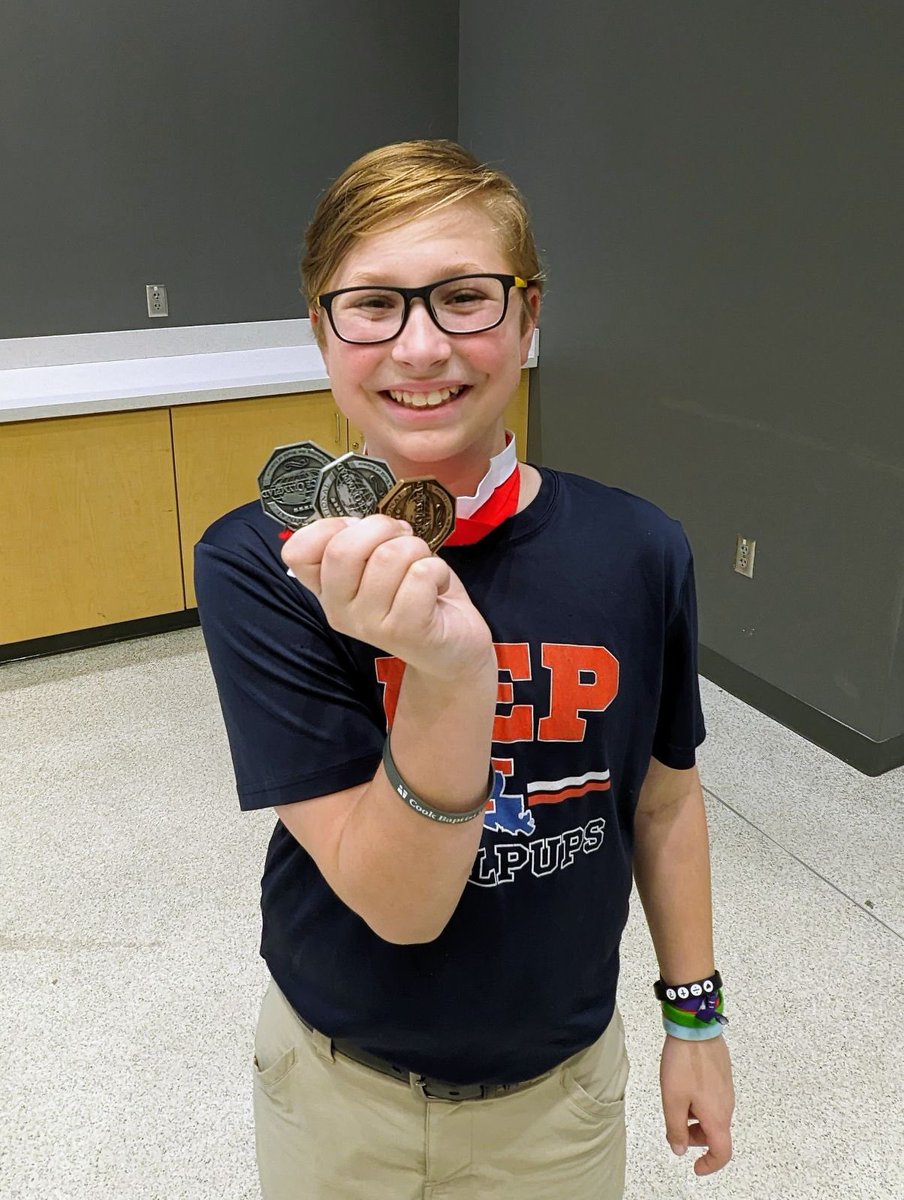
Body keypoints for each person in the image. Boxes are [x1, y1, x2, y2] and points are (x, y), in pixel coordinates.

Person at [194, 139, 735, 1200]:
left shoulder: (638, 550)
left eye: (464, 298)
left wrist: (696, 1020)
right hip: (338, 1086)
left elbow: (663, 804)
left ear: (529, 319)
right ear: (322, 332)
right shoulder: (261, 561)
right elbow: (399, 905)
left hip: (559, 1097)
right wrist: (448, 675)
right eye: (372, 305)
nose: (421, 345)